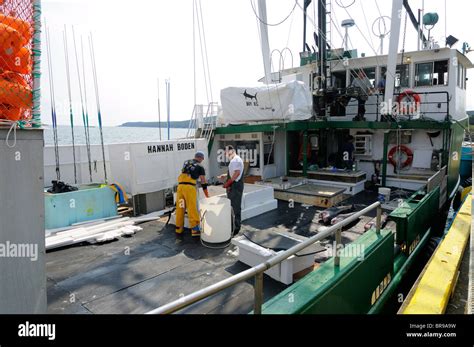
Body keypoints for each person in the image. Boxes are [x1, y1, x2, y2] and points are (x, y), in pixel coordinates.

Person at [175, 151, 209, 238]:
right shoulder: (200, 166)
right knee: (192, 208)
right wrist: (207, 195)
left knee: (180, 208)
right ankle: (195, 231)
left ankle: (178, 229)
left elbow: (187, 172)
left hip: (180, 188)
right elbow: (203, 181)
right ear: (201, 158)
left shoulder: (186, 162)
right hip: (189, 189)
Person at [219, 145, 244, 236]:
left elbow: (237, 173)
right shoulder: (234, 160)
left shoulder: (235, 160)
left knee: (235, 207)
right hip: (234, 187)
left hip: (235, 187)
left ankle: (236, 228)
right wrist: (225, 175)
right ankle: (234, 226)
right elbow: (234, 172)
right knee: (233, 206)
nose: (226, 155)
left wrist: (227, 183)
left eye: (226, 153)